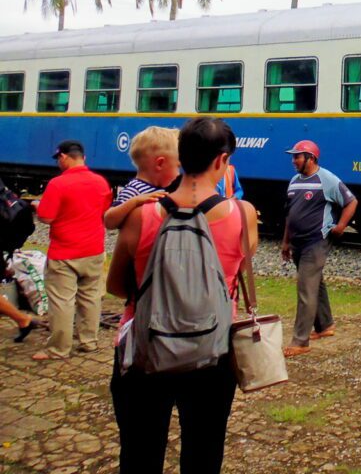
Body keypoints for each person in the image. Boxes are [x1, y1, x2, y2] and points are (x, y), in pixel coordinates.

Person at [107, 117, 259, 474]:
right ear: (222, 161)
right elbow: (237, 274)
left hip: (143, 352)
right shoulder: (243, 214)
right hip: (212, 352)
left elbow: (116, 287)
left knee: (139, 453)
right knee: (204, 453)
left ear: (181, 155)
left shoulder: (141, 215)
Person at [32, 139, 112, 361]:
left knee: (62, 301)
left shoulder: (57, 184)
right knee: (91, 297)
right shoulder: (101, 182)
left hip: (65, 253)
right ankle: (89, 342)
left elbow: (47, 217)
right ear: (83, 157)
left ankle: (59, 348)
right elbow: (103, 210)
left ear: (63, 157)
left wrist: (38, 208)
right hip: (94, 250)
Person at [281, 140, 358, 357]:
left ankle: (300, 341)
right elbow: (290, 214)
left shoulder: (327, 179)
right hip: (297, 242)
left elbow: (351, 201)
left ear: (311, 158)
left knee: (306, 288)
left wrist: (341, 225)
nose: (293, 160)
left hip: (316, 242)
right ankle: (325, 326)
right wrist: (285, 242)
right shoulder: (294, 181)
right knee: (316, 283)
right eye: (293, 156)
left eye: (297, 156)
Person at [103, 126, 180, 230]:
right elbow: (109, 221)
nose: (178, 173)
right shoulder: (134, 190)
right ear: (160, 164)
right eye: (177, 166)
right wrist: (134, 202)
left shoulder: (165, 190)